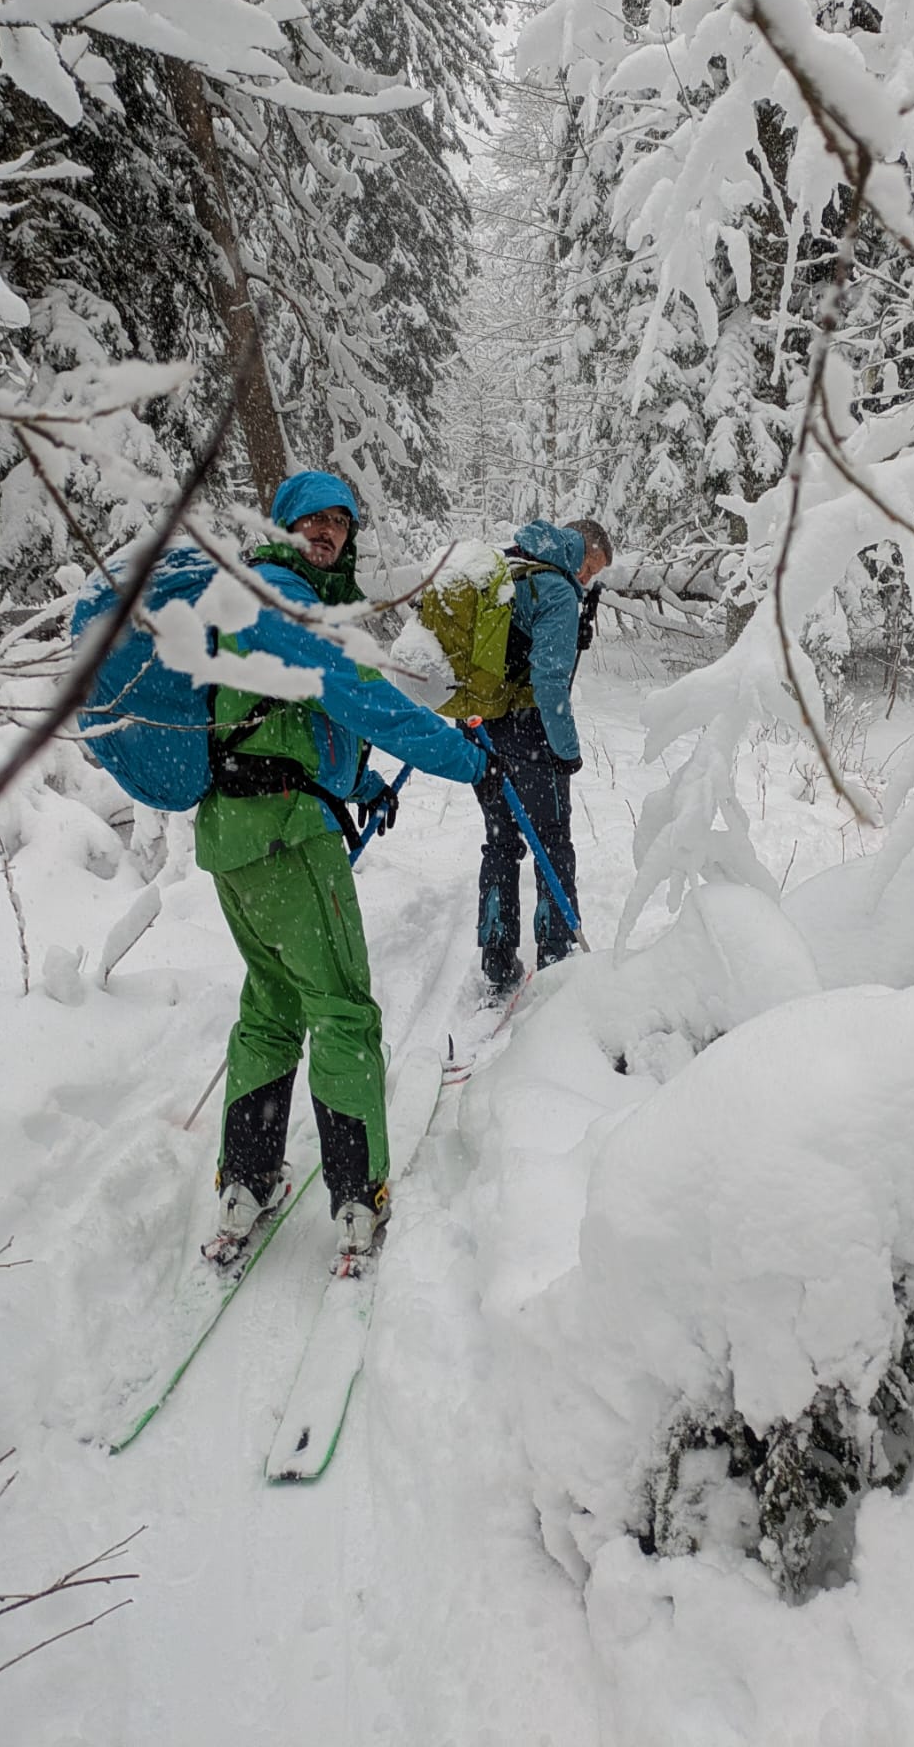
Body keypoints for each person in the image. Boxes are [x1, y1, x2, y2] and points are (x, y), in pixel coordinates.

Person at [197, 471, 490, 1261]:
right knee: (344, 1012)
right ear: (283, 527)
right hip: (285, 840)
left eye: (338, 522)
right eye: (312, 521)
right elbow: (360, 698)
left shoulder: (259, 599)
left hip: (240, 835)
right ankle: (358, 1196)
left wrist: (357, 784)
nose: (326, 532)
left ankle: (246, 1181)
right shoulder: (275, 596)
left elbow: (284, 719)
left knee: (271, 1008)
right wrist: (461, 755)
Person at [471, 517, 611, 999]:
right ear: (580, 551)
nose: (589, 580)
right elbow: (550, 683)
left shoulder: (506, 568)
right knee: (552, 841)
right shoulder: (555, 590)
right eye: (591, 567)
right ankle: (556, 954)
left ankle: (495, 953)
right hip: (530, 735)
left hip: (479, 728)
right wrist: (566, 753)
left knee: (500, 843)